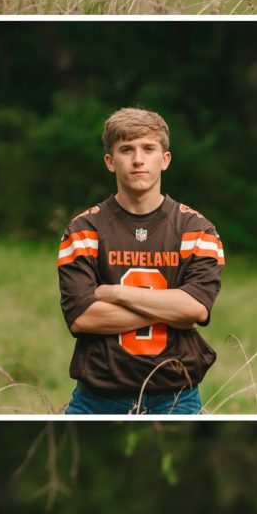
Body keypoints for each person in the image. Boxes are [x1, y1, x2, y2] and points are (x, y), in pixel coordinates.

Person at [57, 108, 223, 416]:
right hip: (97, 398)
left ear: (165, 159)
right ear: (110, 161)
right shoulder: (83, 232)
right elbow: (82, 318)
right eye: (126, 150)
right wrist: (172, 312)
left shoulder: (197, 230)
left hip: (176, 396)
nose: (137, 159)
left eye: (148, 149)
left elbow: (196, 309)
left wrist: (116, 293)